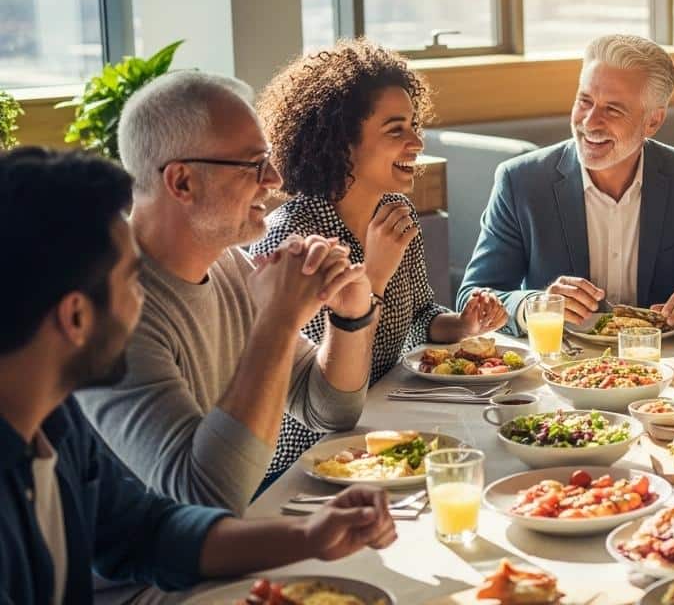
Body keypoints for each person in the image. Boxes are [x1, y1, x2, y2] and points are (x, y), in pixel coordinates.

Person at [0, 147, 396, 604]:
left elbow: (147, 531)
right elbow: (205, 495)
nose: (141, 301)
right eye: (132, 281)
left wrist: (308, 535)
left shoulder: (56, 423)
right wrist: (280, 317)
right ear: (76, 317)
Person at [76, 70, 376, 513]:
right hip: (152, 580)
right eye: (254, 164)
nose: (274, 179)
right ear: (181, 182)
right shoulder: (112, 311)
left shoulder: (228, 263)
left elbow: (330, 411)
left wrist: (349, 316)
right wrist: (278, 318)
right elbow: (206, 496)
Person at [255, 40, 507, 478]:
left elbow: (419, 315)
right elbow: (327, 395)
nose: (416, 142)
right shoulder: (293, 240)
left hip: (387, 436)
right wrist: (372, 275)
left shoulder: (397, 212)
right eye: (396, 130)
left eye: (414, 125)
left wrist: (462, 326)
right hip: (313, 461)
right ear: (341, 144)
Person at [460, 33, 674, 332]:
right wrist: (538, 305)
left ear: (653, 122)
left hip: (663, 365)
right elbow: (474, 298)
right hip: (561, 366)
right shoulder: (521, 180)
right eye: (585, 101)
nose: (590, 122)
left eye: (613, 109)